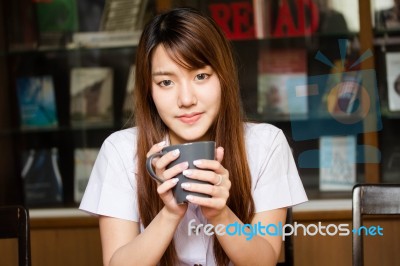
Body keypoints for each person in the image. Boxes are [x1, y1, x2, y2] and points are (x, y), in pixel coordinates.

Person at [79, 7, 307, 266]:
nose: (186, 100)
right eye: (166, 82)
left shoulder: (266, 145)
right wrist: (170, 213)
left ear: (223, 77)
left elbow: (264, 261)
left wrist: (221, 214)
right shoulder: (120, 151)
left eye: (201, 76)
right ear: (148, 90)